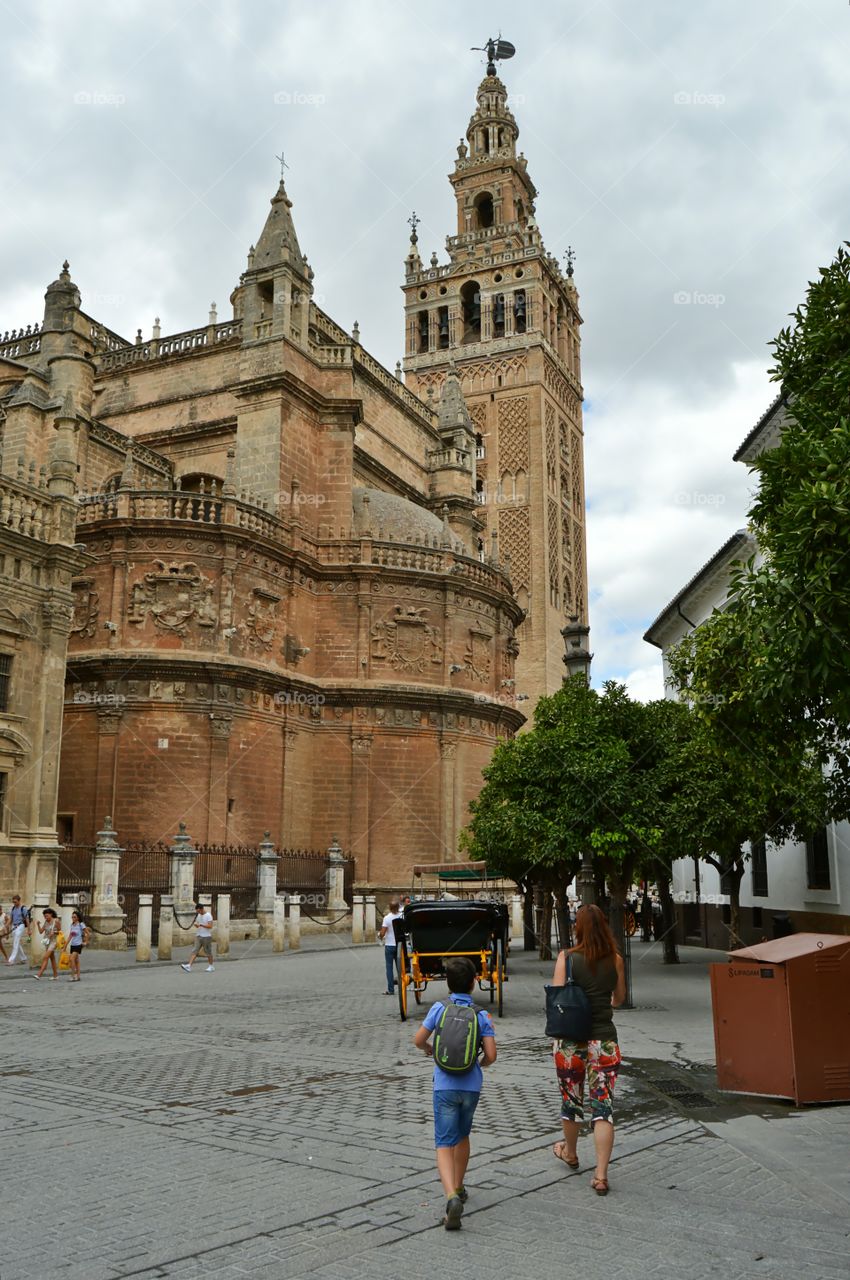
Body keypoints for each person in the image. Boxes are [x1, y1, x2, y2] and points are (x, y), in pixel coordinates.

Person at [414, 956, 496, 1231]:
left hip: (444, 1086)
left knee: (443, 1142)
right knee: (462, 1135)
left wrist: (429, 1050)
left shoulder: (439, 1009)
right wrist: (480, 1064)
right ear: (474, 983)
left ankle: (450, 1197)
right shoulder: (481, 1014)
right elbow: (492, 1055)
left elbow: (418, 1040)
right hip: (471, 1085)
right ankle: (460, 1187)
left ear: (447, 984)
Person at [551, 903, 626, 1196]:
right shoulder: (616, 960)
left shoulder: (567, 958)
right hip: (605, 1042)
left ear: (577, 928)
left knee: (572, 1102)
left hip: (571, 1043)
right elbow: (618, 999)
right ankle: (600, 1175)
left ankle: (570, 1152)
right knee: (603, 1107)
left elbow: (558, 1000)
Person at [180, 902, 215, 972]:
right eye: (197, 911)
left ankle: (211, 966)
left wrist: (201, 925)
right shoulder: (199, 915)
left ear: (202, 909)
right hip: (199, 935)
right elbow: (198, 923)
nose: (198, 912)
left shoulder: (208, 915)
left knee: (208, 952)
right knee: (194, 951)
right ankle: (189, 966)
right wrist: (196, 924)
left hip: (206, 937)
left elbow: (210, 926)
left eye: (199, 911)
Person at [379, 898, 402, 995]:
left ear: (389, 908)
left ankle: (391, 989)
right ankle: (402, 987)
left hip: (389, 945)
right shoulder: (401, 916)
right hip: (399, 945)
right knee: (400, 968)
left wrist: (379, 935)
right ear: (398, 907)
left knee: (389, 968)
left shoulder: (387, 918)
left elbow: (382, 933)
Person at [33, 908, 61, 981]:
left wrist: (54, 932)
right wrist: (38, 925)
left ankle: (39, 974)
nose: (46, 917)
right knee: (52, 959)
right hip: (47, 942)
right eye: (45, 916)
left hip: (54, 942)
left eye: (47, 916)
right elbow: (41, 931)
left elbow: (60, 931)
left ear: (51, 914)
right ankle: (55, 976)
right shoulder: (46, 922)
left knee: (45, 957)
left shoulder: (56, 921)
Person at [62, 910, 90, 982]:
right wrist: (65, 946)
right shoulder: (72, 925)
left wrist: (85, 942)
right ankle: (78, 976)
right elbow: (70, 936)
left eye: (74, 917)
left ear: (78, 918)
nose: (73, 918)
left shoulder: (81, 924)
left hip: (78, 944)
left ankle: (73, 976)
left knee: (71, 959)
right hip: (73, 944)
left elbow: (87, 933)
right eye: (72, 917)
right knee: (76, 961)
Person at [6, 895, 31, 966]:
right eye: (13, 902)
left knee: (15, 942)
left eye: (15, 902)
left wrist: (29, 930)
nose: (14, 903)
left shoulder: (23, 908)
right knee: (17, 943)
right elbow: (11, 918)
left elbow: (27, 919)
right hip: (14, 926)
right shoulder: (13, 908)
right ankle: (23, 958)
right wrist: (6, 925)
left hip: (20, 925)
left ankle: (11, 960)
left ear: (19, 901)